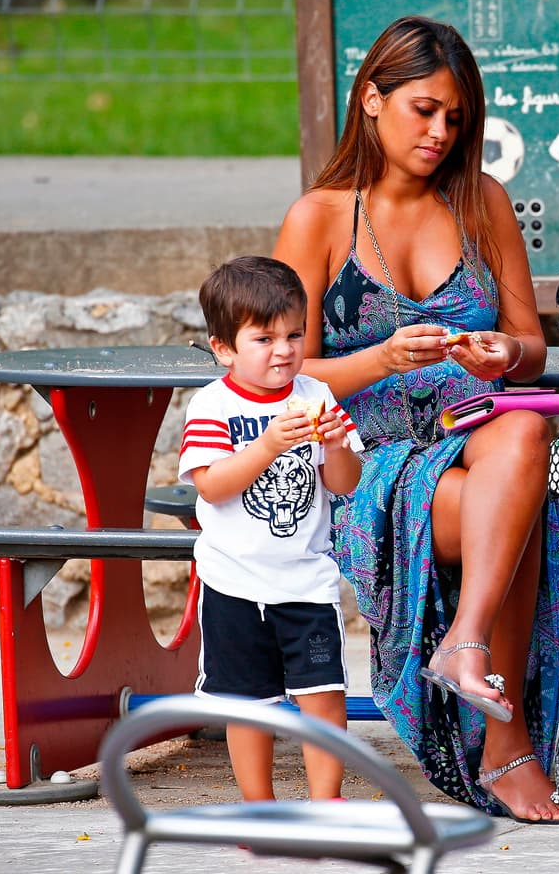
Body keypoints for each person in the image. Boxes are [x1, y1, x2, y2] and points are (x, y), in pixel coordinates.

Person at [271, 16, 559, 823]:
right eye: (424, 110)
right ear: (372, 99)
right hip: (367, 463)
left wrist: (498, 350)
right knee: (514, 504)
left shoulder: (481, 204)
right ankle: (505, 747)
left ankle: (463, 640)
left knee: (522, 433)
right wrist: (382, 359)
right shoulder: (321, 218)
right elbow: (281, 370)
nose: (441, 133)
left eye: (455, 119)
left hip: (478, 440)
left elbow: (533, 350)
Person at [179, 255, 365, 802]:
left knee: (324, 696)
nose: (283, 350)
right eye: (264, 338)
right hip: (233, 584)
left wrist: (333, 444)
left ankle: (326, 804)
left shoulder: (317, 396)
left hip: (305, 580)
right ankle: (259, 808)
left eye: (295, 334)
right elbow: (212, 486)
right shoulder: (212, 405)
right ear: (224, 348)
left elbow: (347, 482)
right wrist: (266, 446)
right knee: (247, 706)